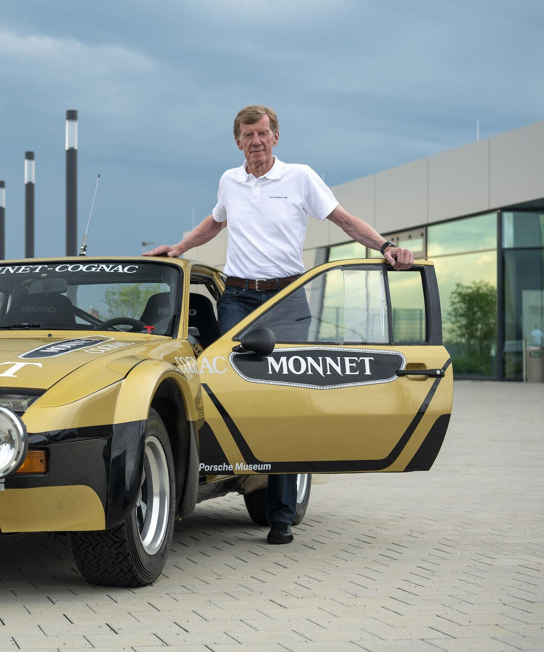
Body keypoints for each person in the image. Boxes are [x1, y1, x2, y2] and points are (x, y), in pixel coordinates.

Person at [145, 105, 415, 545]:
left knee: (286, 400)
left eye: (264, 133)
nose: (256, 140)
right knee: (235, 390)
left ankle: (282, 515)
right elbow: (214, 223)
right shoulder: (229, 181)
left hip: (287, 298)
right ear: (238, 141)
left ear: (275, 138)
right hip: (237, 298)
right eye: (248, 134)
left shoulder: (300, 178)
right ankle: (225, 476)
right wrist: (177, 248)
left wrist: (385, 246)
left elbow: (343, 220)